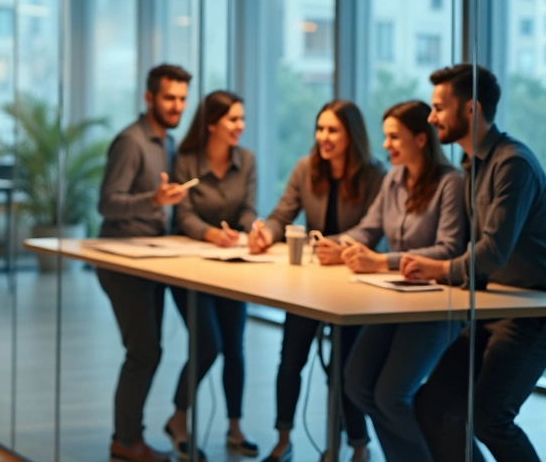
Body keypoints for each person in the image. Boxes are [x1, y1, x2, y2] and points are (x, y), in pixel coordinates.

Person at [402, 64, 546, 462]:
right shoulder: (471, 166)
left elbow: (492, 251)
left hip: (534, 316)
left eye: (439, 108)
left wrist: (440, 270)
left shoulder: (513, 164)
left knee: (488, 418)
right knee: (430, 405)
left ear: (471, 110)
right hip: (492, 313)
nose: (430, 118)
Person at [312, 101, 468, 462]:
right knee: (356, 384)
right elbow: (368, 228)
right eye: (385, 137)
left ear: (420, 139)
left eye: (394, 137)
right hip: (393, 300)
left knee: (391, 396)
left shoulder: (451, 183)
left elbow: (448, 248)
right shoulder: (394, 178)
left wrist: (381, 260)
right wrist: (336, 246)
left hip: (433, 305)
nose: (386, 146)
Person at [251, 100, 384, 462]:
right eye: (320, 129)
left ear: (351, 135)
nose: (323, 137)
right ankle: (283, 439)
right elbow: (281, 215)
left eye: (333, 130)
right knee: (290, 359)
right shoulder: (305, 168)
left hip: (353, 288)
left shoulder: (375, 174)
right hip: (310, 286)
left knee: (344, 370)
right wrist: (266, 234)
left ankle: (357, 445)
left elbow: (374, 229)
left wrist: (341, 247)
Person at [98, 64, 193, 462]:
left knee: (148, 350)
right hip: (123, 262)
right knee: (144, 351)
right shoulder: (131, 142)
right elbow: (107, 203)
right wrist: (153, 201)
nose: (177, 106)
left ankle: (129, 436)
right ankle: (126, 439)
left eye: (183, 99)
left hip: (151, 261)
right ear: (149, 98)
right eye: (170, 98)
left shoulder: (167, 142)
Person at [165, 91, 264, 459]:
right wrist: (210, 234)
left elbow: (249, 207)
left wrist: (246, 230)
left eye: (242, 119)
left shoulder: (247, 160)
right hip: (189, 268)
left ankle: (235, 427)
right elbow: (183, 215)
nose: (241, 126)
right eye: (233, 120)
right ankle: (178, 418)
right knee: (208, 344)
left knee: (235, 348)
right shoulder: (186, 160)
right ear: (211, 124)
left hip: (230, 267)